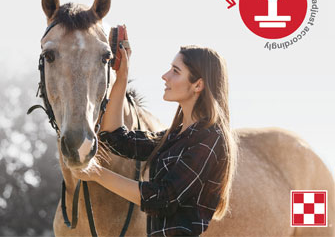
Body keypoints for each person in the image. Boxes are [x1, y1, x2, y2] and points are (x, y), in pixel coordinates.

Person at [73, 44, 237, 237]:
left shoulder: (211, 138)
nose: (165, 76)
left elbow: (163, 198)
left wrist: (97, 174)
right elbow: (115, 138)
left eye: (175, 71)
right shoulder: (174, 136)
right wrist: (121, 77)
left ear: (198, 85)